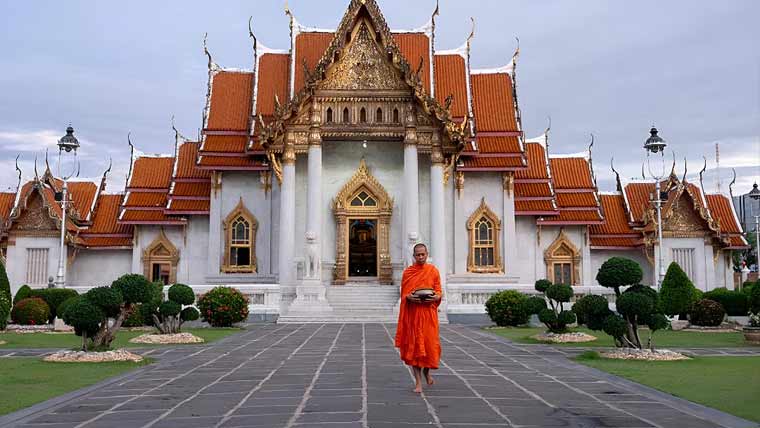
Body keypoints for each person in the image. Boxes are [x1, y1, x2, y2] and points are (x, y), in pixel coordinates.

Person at [395, 243, 442, 393]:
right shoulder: (408, 273)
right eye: (418, 255)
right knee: (415, 349)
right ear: (414, 256)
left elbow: (438, 291)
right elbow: (404, 294)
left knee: (430, 347)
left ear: (427, 254)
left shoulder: (433, 271)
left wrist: (436, 297)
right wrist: (408, 297)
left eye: (423, 254)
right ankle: (418, 382)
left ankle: (427, 373)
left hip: (428, 315)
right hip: (414, 315)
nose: (421, 257)